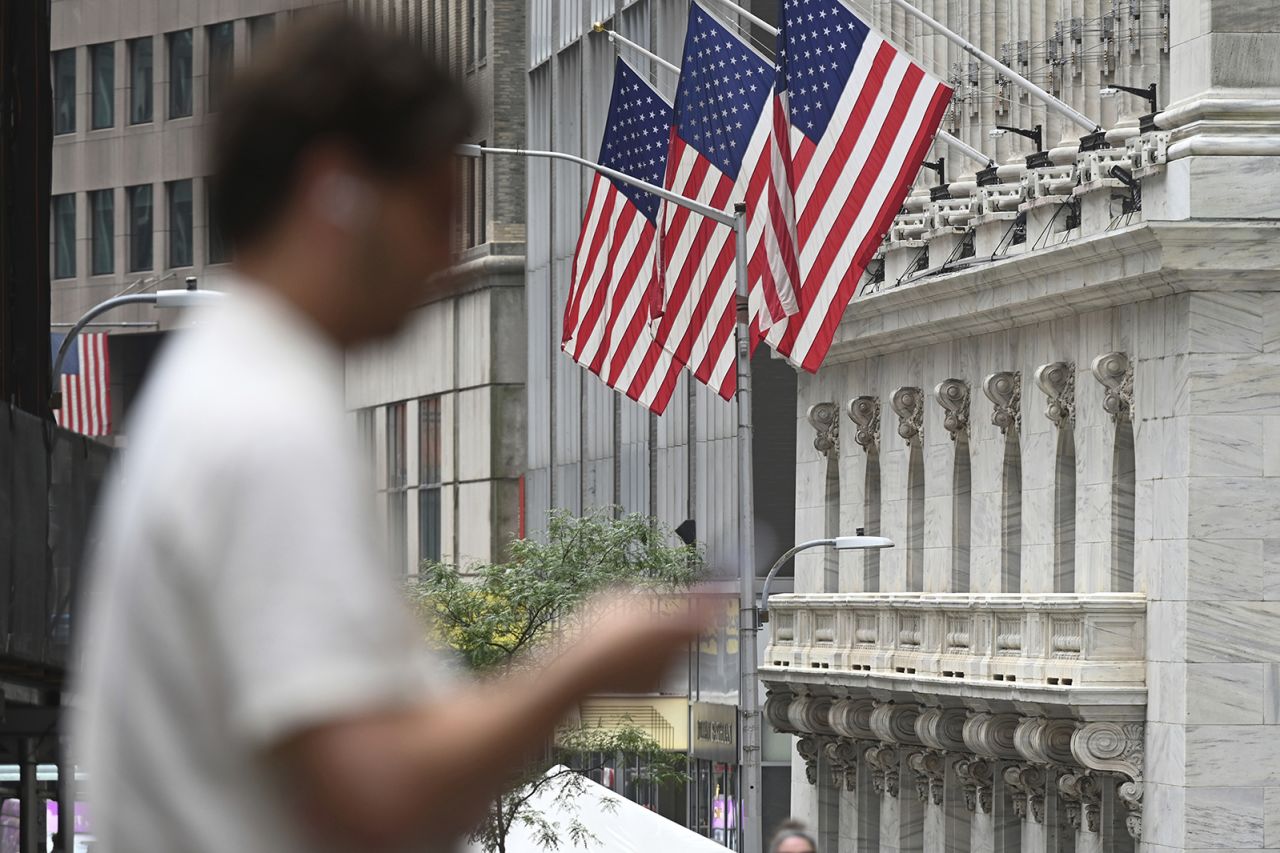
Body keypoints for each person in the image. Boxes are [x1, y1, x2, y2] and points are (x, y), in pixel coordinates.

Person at [70, 14, 707, 853]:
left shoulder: (225, 394)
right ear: (338, 192)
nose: (442, 259)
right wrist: (580, 667)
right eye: (433, 211)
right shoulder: (265, 423)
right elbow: (376, 792)